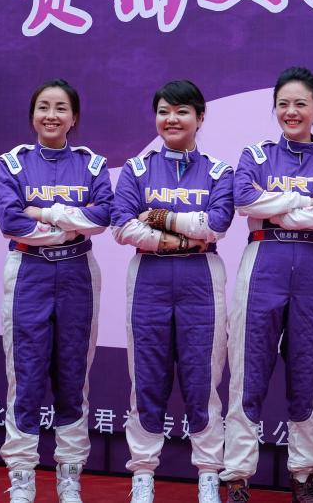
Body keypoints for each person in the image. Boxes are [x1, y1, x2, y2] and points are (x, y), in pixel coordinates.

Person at [222, 67, 313, 502]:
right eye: (283, 104)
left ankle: (303, 474)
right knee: (247, 373)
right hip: (262, 265)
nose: (291, 111)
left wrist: (275, 206)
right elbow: (244, 199)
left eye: (300, 104)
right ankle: (238, 475)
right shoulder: (256, 156)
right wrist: (302, 202)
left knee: (306, 375)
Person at [110, 80, 234, 503]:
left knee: (203, 381)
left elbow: (216, 225)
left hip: (202, 281)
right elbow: (122, 226)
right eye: (164, 111)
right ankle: (143, 474)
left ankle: (208, 475)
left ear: (200, 117)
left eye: (181, 111)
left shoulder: (218, 172)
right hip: (149, 280)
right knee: (147, 378)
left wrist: (159, 217)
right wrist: (177, 238)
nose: (172, 119)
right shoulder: (137, 169)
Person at [0, 79, 112, 503]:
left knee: (73, 377)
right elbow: (11, 221)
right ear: (33, 115)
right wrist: (70, 223)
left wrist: (44, 213)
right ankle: (22, 476)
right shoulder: (12, 163)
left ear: (73, 117)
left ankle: (70, 475)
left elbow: (102, 216)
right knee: (25, 376)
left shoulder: (92, 165)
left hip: (78, 273)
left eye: (61, 108)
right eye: (43, 107)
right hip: (28, 273)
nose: (51, 115)